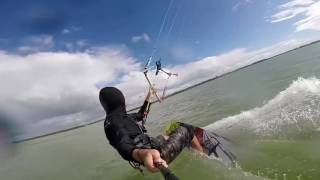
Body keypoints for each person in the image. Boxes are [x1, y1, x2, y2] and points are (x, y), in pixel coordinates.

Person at [99, 87, 203, 173]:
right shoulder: (113, 122)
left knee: (174, 126)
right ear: (121, 100)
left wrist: (150, 95)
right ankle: (201, 155)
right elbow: (122, 143)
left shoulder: (122, 117)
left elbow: (140, 114)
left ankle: (183, 142)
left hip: (151, 146)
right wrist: (141, 154)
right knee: (188, 129)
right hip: (154, 157)